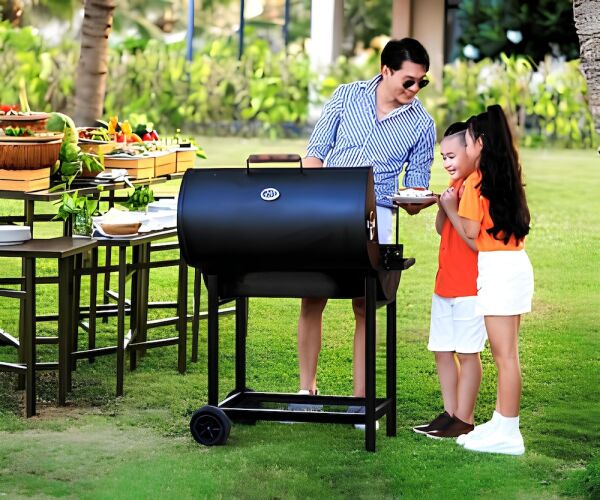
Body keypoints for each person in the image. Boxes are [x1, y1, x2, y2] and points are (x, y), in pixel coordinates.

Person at [293, 38, 436, 429]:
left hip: (379, 214)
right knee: (312, 296)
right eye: (409, 81)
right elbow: (316, 153)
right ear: (385, 70)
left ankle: (361, 401)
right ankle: (307, 392)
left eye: (421, 82)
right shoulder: (346, 96)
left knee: (364, 305)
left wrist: (417, 200)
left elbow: (417, 183)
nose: (415, 89)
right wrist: (312, 200)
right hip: (327, 208)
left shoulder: (422, 124)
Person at [439, 104, 534, 455]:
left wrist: (450, 208)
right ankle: (500, 421)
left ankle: (509, 433)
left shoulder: (477, 182)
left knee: (505, 356)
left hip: (499, 271)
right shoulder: (505, 176)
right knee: (505, 354)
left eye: (466, 142)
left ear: (480, 143)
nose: (465, 148)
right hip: (513, 266)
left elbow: (469, 233)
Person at [412, 122, 487, 439]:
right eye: (443, 157)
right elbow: (442, 229)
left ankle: (464, 418)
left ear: (472, 151)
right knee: (442, 349)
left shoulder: (478, 186)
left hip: (469, 286)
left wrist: (452, 207)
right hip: (445, 283)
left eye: (452, 156)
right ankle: (450, 412)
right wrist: (443, 206)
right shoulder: (456, 184)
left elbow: (476, 240)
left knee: (467, 353)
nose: (446, 163)